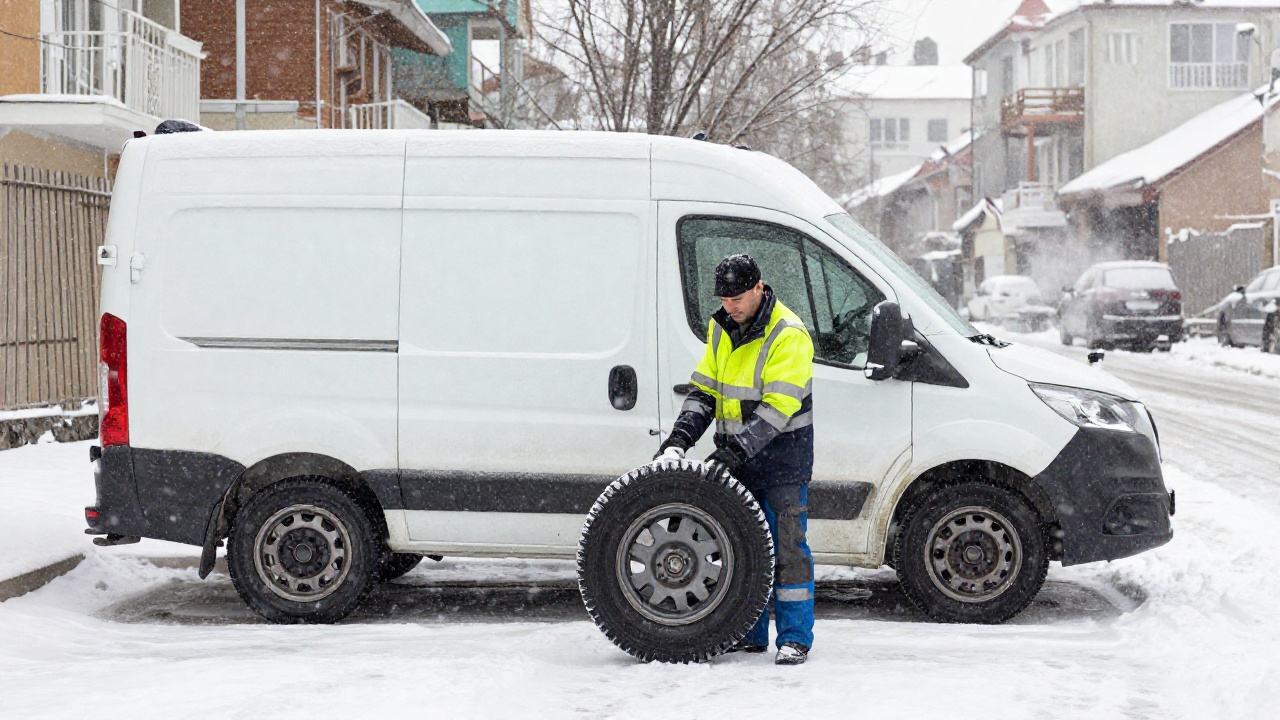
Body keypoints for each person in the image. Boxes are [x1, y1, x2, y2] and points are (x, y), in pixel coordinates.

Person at [655, 253, 816, 666]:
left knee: (787, 551)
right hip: (740, 462)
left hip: (781, 464)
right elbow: (705, 390)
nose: (731, 307)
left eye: (738, 298)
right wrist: (679, 438)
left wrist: (733, 451)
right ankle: (748, 633)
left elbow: (778, 408)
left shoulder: (789, 334)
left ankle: (794, 638)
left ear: (759, 288)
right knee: (742, 550)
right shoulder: (722, 327)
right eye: (724, 300)